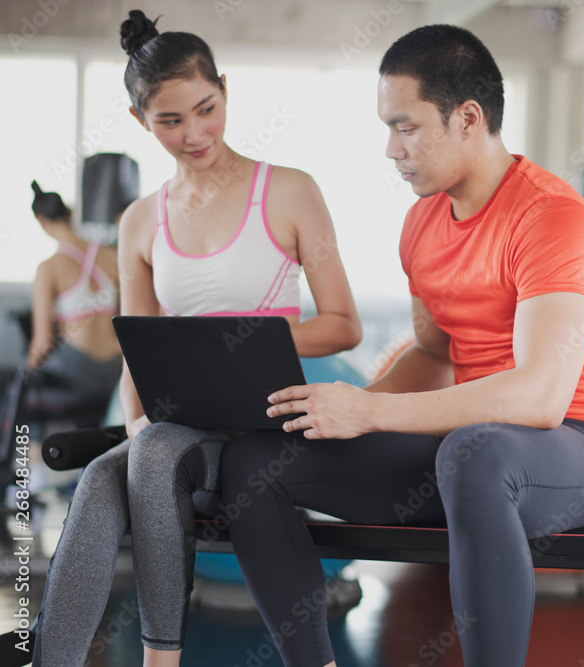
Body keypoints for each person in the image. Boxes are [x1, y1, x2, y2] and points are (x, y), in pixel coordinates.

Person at [221, 24, 584, 667]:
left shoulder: (551, 218)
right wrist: (352, 411)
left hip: (577, 450)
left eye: (405, 127)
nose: (391, 149)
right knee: (252, 461)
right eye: (388, 128)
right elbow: (436, 353)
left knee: (477, 451)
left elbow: (542, 397)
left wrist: (372, 413)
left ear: (468, 118)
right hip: (468, 453)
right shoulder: (421, 223)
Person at [29, 10, 362, 666]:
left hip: (271, 425)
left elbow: (342, 323)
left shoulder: (290, 191)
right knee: (107, 474)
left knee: (131, 465)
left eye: (206, 109)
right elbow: (139, 347)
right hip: (185, 433)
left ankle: (159, 660)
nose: (195, 134)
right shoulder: (140, 219)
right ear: (138, 122)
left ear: (226, 89)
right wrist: (136, 424)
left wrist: (250, 339)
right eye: (170, 121)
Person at [23, 181, 122, 417]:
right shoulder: (111, 254)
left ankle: (30, 451)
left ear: (41, 221)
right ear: (70, 213)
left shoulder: (49, 267)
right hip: (115, 368)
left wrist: (25, 374)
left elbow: (43, 344)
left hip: (79, 371)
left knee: (25, 403)